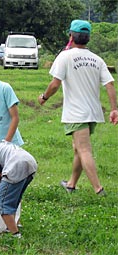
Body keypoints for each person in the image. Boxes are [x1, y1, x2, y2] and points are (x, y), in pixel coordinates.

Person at [38, 20, 118, 196]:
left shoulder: (65, 56)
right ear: (88, 38)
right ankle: (71, 184)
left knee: (84, 149)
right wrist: (114, 109)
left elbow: (55, 83)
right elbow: (110, 84)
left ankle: (98, 189)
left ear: (71, 36)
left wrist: (44, 97)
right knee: (78, 148)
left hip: (76, 113)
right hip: (93, 113)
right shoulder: (97, 59)